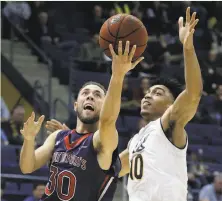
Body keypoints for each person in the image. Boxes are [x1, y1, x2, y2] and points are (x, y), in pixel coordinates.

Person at [19, 41, 144, 201]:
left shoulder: (101, 141)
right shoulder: (58, 137)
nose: (90, 96)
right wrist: (29, 140)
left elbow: (107, 121)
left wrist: (118, 75)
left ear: (105, 105)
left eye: (98, 95)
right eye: (85, 93)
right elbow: (27, 166)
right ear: (76, 104)